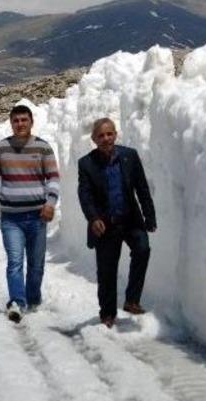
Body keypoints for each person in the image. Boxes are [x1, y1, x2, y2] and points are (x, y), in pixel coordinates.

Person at [77, 118, 156, 328]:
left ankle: (132, 300)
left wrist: (149, 217)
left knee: (143, 249)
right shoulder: (86, 163)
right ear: (94, 139)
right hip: (105, 224)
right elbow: (85, 195)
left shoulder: (129, 156)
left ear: (115, 134)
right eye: (101, 136)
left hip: (131, 219)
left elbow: (142, 188)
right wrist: (93, 218)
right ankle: (107, 314)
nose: (106, 139)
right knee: (107, 271)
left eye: (109, 134)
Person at [0, 105, 60, 322]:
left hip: (37, 217)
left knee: (36, 265)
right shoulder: (1, 149)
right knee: (15, 261)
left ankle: (33, 298)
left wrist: (51, 203)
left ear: (31, 122)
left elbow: (53, 177)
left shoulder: (43, 148)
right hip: (11, 218)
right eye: (16, 120)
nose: (20, 124)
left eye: (24, 120)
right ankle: (17, 301)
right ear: (11, 123)